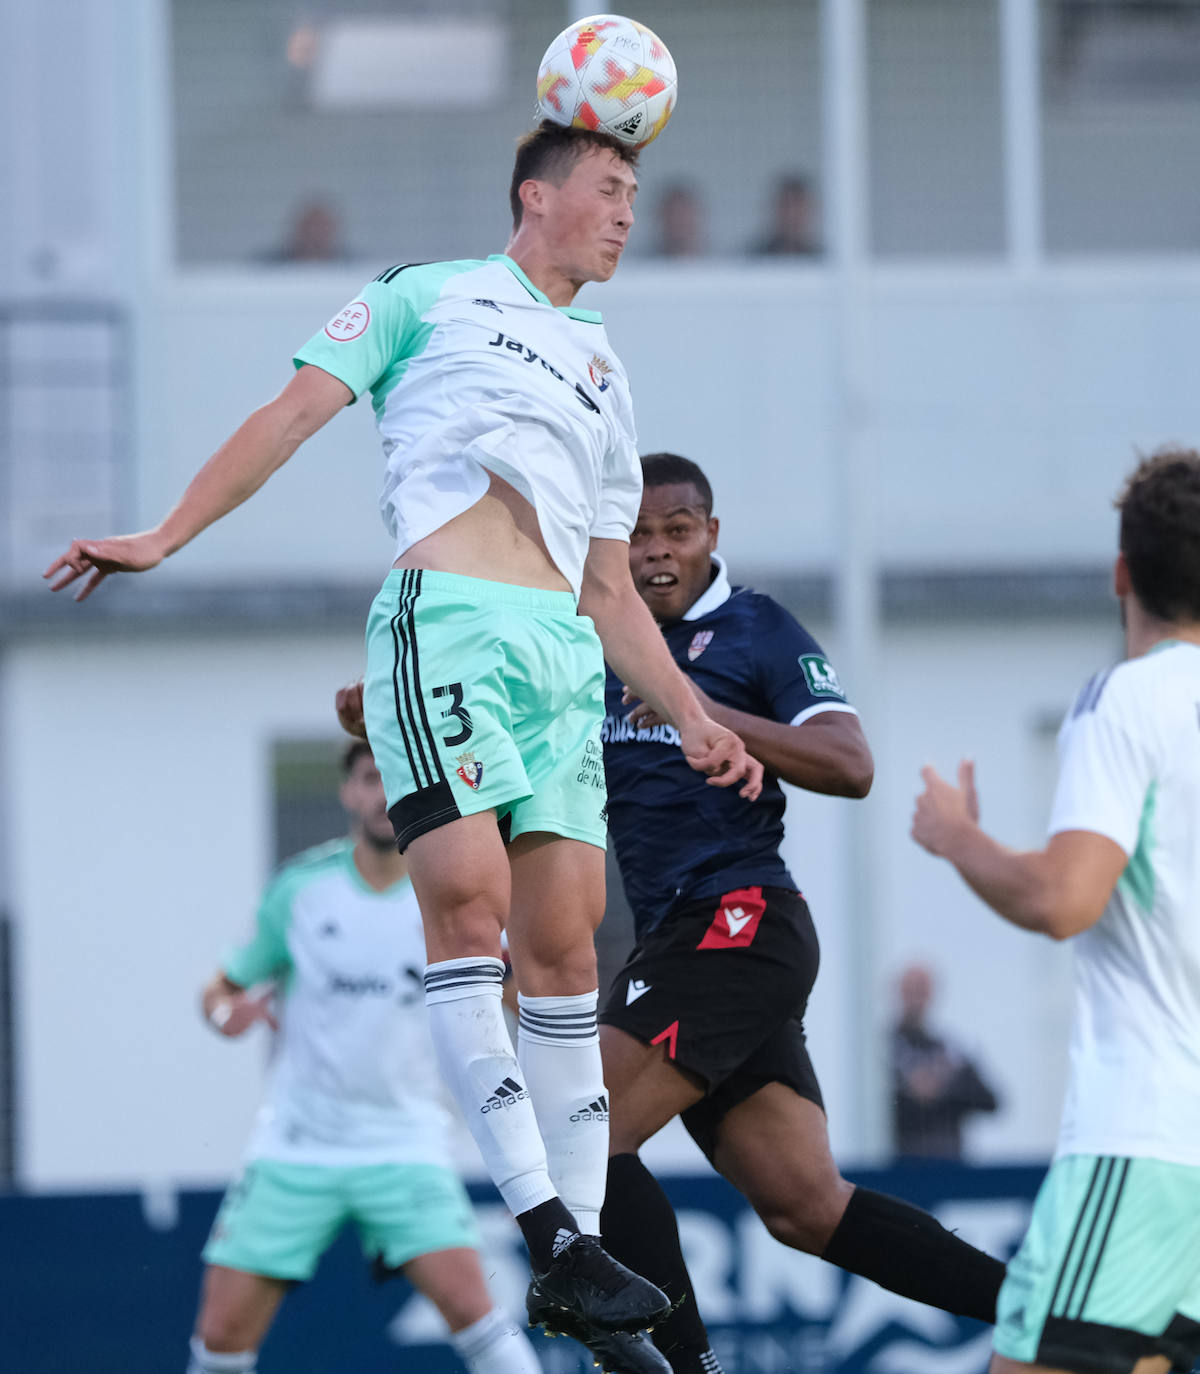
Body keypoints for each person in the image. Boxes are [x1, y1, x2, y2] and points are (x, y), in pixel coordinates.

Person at [45, 119, 761, 1363]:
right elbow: (289, 415)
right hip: (449, 622)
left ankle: (579, 1255)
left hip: (559, 653)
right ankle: (547, 1231)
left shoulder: (602, 365)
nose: (627, 215)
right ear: (534, 196)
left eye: (636, 194)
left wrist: (694, 715)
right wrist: (166, 535)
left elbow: (604, 586)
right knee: (471, 914)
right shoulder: (425, 295)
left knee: (566, 943)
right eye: (608, 189)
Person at [592, 453, 1009, 1374]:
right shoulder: (596, 640)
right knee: (804, 1208)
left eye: (678, 530)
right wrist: (378, 712)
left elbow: (850, 763)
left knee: (584, 1130)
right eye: (636, 535)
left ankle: (682, 1366)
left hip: (739, 921)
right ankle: (1042, 1316)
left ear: (712, 535)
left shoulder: (755, 629)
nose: (657, 552)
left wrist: (706, 715)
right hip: (681, 941)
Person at [912, 446, 1200, 1374]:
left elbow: (1064, 897)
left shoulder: (1129, 702)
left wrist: (958, 836)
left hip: (1152, 1145)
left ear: (1123, 572)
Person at [189, 742, 540, 1374]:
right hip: (296, 1146)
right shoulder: (300, 889)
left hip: (407, 1146)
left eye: (394, 778)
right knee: (219, 1337)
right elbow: (221, 988)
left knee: (483, 1321)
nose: (382, 793)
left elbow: (520, 995)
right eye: (369, 778)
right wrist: (224, 1016)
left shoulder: (457, 893)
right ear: (349, 793)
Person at [891, 961, 1000, 1160]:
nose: (916, 997)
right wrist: (909, 1093)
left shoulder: (950, 1052)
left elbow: (992, 1101)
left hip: (949, 1167)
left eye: (921, 990)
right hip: (896, 1168)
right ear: (898, 992)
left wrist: (944, 1089)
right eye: (911, 989)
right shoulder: (880, 1053)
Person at [749, 174, 821, 256]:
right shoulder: (755, 258)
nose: (792, 216)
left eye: (798, 208)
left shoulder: (823, 260)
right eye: (786, 207)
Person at [651, 183, 706, 258]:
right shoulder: (645, 265)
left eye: (684, 215)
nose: (679, 222)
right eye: (673, 214)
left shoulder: (716, 263)